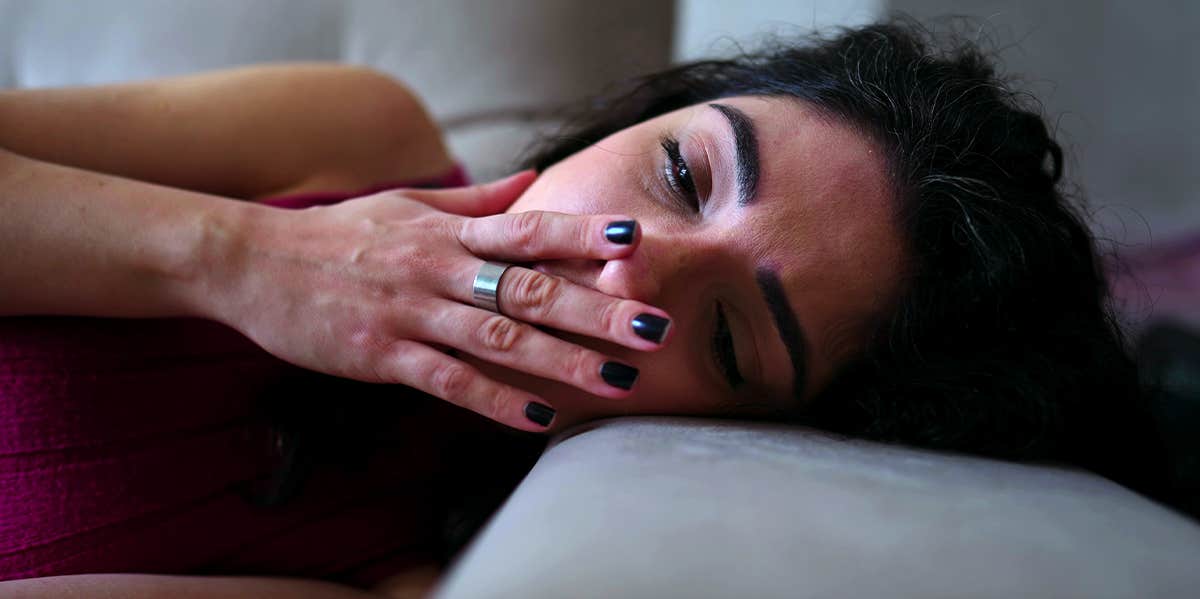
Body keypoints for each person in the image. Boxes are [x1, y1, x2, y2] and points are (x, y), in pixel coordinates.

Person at [0, 19, 1165, 597]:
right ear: (641, 116)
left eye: (723, 333)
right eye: (681, 175)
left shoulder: (425, 569)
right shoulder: (353, 128)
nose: (631, 272)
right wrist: (243, 254)